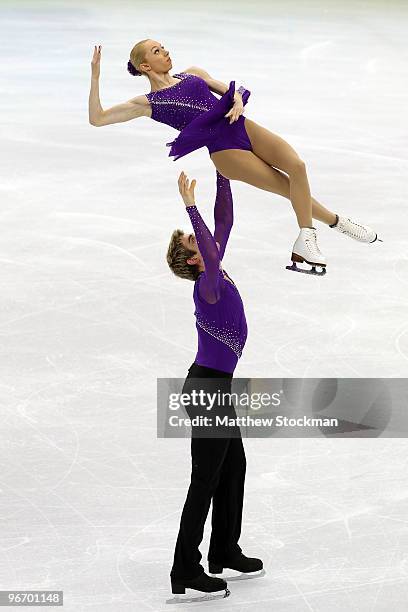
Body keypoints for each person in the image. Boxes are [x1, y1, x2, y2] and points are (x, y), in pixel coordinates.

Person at [88, 40, 382, 277]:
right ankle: (321, 231)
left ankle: (326, 226)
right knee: (284, 186)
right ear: (144, 66)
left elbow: (230, 89)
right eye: (157, 51)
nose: (165, 52)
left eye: (163, 47)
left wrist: (238, 98)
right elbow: (98, 119)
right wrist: (96, 76)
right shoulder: (149, 103)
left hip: (240, 125)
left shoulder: (192, 73)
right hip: (224, 151)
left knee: (298, 167)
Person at [165, 169, 263, 599]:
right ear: (192, 260)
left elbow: (224, 223)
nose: (201, 239)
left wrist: (224, 171)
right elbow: (210, 236)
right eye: (193, 241)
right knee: (204, 479)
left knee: (233, 468)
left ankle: (224, 548)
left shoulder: (215, 272)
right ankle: (185, 568)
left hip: (215, 389)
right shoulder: (206, 287)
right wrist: (189, 205)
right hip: (206, 390)